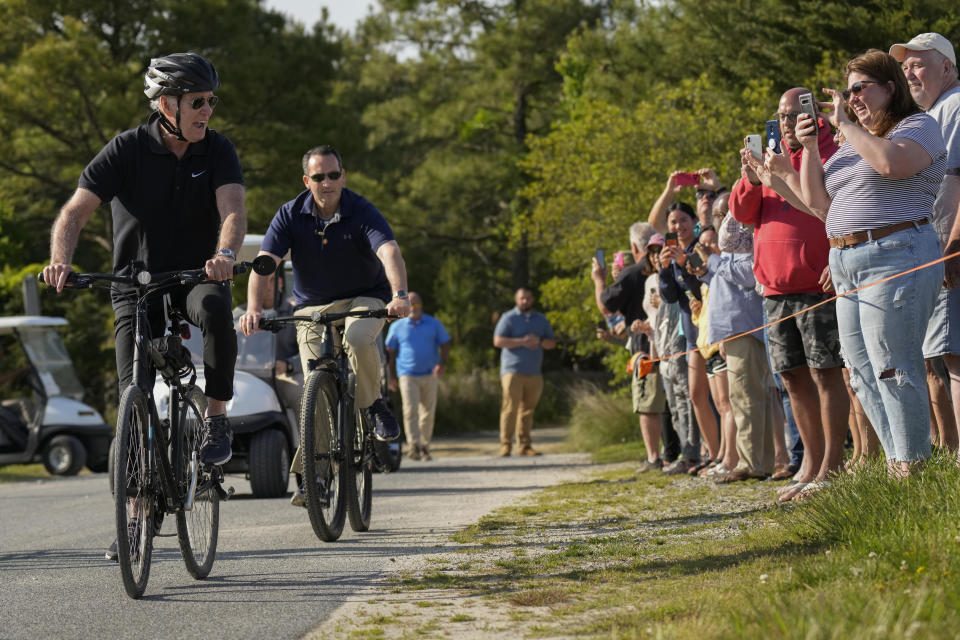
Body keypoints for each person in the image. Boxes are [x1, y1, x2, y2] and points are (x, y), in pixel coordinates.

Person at [42, 53, 245, 560]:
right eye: (198, 102)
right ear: (166, 105)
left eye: (211, 101)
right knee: (133, 395)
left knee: (219, 313)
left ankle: (216, 418)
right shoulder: (126, 150)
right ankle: (135, 520)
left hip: (196, 274)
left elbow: (233, 212)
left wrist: (223, 255)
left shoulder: (217, 151)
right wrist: (60, 261)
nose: (207, 111)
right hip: (134, 285)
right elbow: (75, 212)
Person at [795, 49, 945, 477]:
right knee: (860, 372)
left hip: (895, 253)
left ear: (890, 87)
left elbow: (891, 164)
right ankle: (899, 462)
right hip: (846, 261)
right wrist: (808, 149)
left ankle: (912, 466)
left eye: (860, 88)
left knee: (893, 365)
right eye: (847, 92)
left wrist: (843, 123)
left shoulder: (918, 126)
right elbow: (818, 203)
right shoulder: (847, 145)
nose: (852, 97)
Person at [239, 145, 410, 471]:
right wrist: (253, 309)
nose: (327, 182)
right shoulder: (289, 214)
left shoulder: (361, 210)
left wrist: (399, 294)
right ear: (307, 180)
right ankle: (315, 477)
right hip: (311, 306)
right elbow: (264, 265)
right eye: (319, 177)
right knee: (314, 383)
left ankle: (373, 405)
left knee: (360, 338)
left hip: (365, 298)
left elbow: (389, 252)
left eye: (333, 175)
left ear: (343, 176)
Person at [733, 87, 850, 501]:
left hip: (816, 285)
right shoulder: (770, 159)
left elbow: (837, 207)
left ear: (814, 112)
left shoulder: (828, 151)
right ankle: (811, 463)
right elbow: (743, 215)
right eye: (781, 115)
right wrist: (751, 178)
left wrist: (837, 260)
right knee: (792, 379)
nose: (787, 121)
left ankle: (833, 464)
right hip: (775, 290)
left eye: (795, 112)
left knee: (825, 373)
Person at [889, 33, 960, 452]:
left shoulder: (955, 107)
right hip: (931, 252)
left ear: (947, 68)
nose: (910, 73)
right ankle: (946, 456)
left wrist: (953, 245)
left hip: (949, 251)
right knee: (938, 357)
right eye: (905, 67)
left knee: (954, 359)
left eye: (919, 64)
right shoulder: (935, 112)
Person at [591, 222, 666, 472]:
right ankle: (671, 452)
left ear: (635, 246)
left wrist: (599, 280)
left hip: (644, 346)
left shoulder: (633, 272)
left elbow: (606, 306)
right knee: (667, 401)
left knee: (647, 402)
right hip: (664, 343)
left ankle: (654, 457)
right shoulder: (661, 269)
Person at [657, 202, 722, 469]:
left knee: (719, 398)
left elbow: (703, 285)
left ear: (694, 221)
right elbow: (670, 296)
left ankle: (726, 454)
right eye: (673, 222)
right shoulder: (671, 254)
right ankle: (714, 453)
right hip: (690, 332)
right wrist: (664, 269)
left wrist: (685, 263)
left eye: (683, 220)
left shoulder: (700, 247)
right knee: (696, 395)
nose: (678, 227)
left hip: (712, 328)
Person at [385, 292, 452, 461]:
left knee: (428, 412)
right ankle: (414, 446)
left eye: (416, 304)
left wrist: (442, 363)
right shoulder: (397, 326)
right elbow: (389, 352)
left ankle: (425, 446)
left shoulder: (433, 323)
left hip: (430, 373)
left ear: (421, 305)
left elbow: (445, 342)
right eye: (410, 304)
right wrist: (390, 375)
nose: (413, 308)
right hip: (407, 374)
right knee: (410, 410)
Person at [493, 287, 557, 456]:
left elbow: (552, 343)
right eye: (522, 298)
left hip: (534, 371)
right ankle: (506, 445)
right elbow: (498, 341)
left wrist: (539, 340)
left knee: (528, 410)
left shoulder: (541, 319)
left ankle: (525, 446)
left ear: (532, 299)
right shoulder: (508, 318)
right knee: (510, 408)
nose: (524, 301)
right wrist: (522, 341)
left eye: (528, 298)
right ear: (516, 300)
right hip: (512, 370)